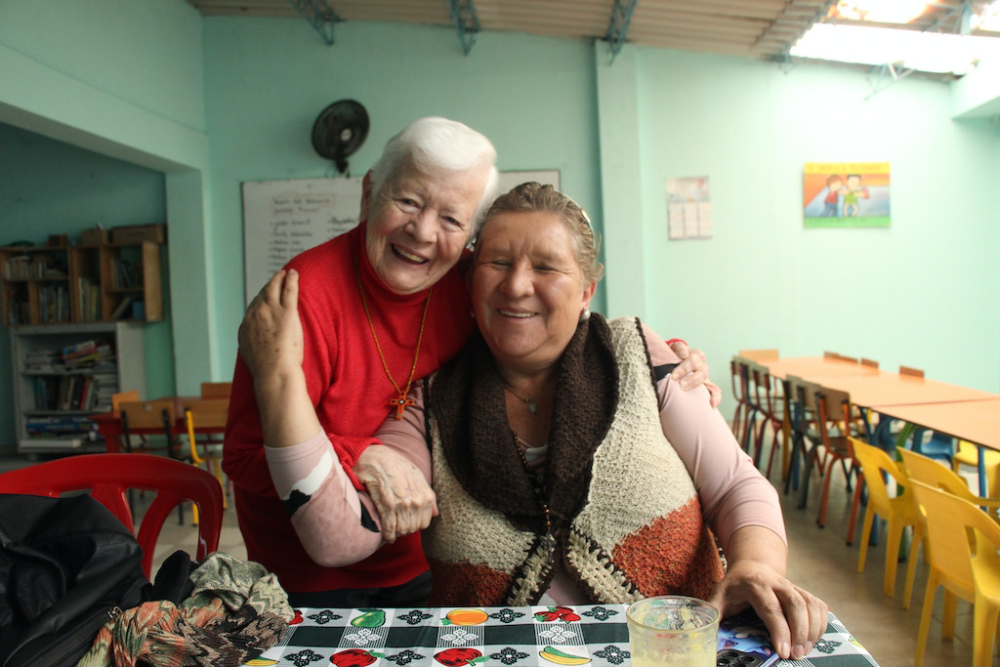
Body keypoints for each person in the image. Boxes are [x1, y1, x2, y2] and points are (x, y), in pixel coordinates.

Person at [240, 182, 829, 661]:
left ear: (587, 291)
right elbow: (336, 538)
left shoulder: (637, 355)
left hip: (670, 653)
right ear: (469, 282)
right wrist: (279, 381)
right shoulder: (430, 406)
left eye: (546, 266)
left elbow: (736, 485)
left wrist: (755, 565)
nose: (517, 285)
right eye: (497, 262)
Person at [224, 117, 715, 609]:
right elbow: (244, 456)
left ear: (469, 238)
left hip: (422, 557)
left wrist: (662, 360)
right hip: (309, 576)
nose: (422, 232)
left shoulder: (466, 282)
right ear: (370, 190)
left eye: (451, 219)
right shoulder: (301, 299)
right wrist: (359, 455)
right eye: (407, 201)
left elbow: (557, 321)